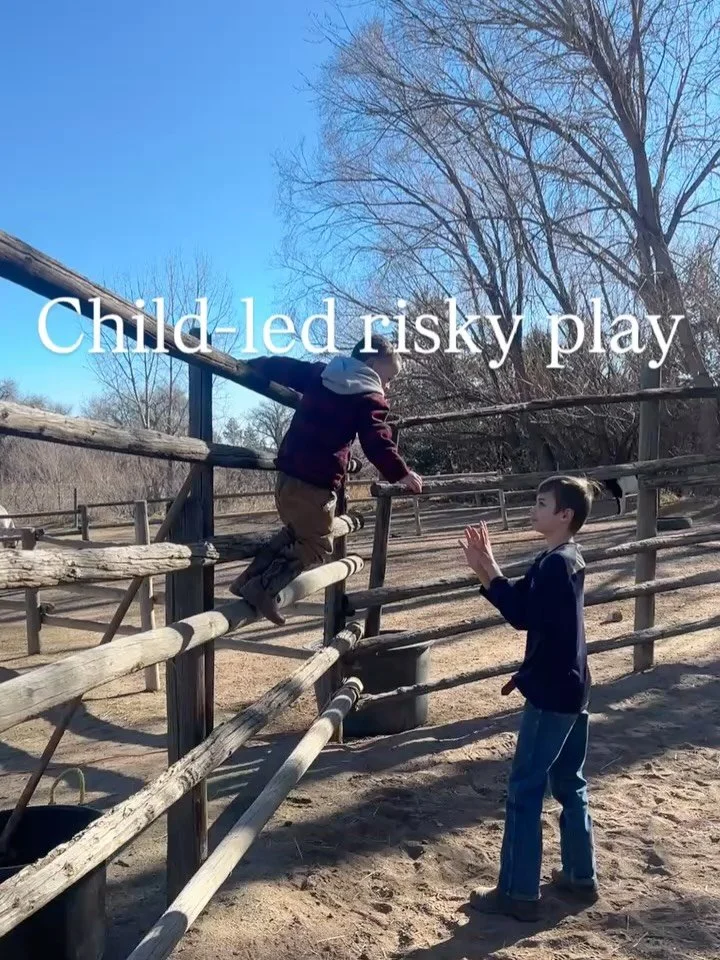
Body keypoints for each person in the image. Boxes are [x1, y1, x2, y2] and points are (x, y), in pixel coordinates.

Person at [459, 476, 599, 922]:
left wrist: (488, 570)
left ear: (565, 515)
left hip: (551, 691)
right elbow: (522, 602)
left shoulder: (556, 564)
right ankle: (580, 877)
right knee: (570, 783)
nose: (534, 509)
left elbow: (521, 616)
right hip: (574, 686)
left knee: (524, 789)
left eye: (542, 504)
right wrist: (486, 566)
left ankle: (518, 893)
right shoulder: (562, 557)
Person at [230, 335, 422, 624]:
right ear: (371, 365)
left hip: (288, 476)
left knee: (297, 533)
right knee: (318, 545)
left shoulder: (323, 373)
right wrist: (401, 473)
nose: (388, 385)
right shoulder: (369, 397)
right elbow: (377, 442)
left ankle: (250, 577)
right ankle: (263, 588)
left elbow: (286, 367)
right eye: (389, 376)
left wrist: (249, 365)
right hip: (315, 483)